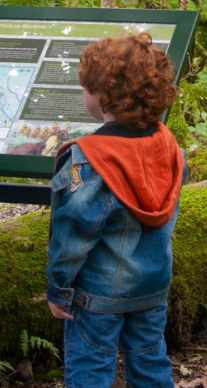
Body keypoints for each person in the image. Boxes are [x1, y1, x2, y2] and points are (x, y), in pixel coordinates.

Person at [47, 33, 186, 388]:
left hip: (97, 294)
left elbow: (72, 236)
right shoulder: (169, 147)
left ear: (102, 96)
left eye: (85, 88)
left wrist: (59, 288)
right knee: (151, 363)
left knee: (90, 368)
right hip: (152, 287)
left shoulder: (88, 159)